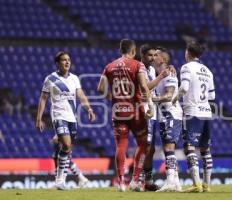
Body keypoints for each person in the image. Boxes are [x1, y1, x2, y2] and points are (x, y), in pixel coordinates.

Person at [97, 39, 154, 192]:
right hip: (136, 111)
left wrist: (111, 97)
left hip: (118, 111)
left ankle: (121, 181)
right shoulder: (137, 65)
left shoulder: (109, 66)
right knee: (143, 144)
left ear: (120, 50)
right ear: (133, 51)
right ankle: (135, 179)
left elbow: (100, 88)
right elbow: (143, 86)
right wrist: (151, 105)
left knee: (121, 145)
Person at [36, 51, 96, 190]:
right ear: (57, 63)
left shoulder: (74, 78)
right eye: (64, 60)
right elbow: (43, 99)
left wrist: (89, 109)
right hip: (58, 116)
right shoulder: (50, 79)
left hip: (72, 118)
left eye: (68, 59)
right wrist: (39, 118)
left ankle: (69, 179)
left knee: (66, 149)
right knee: (67, 145)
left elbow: (80, 95)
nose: (67, 62)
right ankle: (61, 180)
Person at [172, 42, 215, 192]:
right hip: (207, 112)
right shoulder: (208, 71)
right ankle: (206, 185)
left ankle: (196, 184)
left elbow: (184, 88)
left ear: (188, 52)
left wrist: (174, 99)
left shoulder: (186, 67)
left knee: (189, 146)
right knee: (205, 149)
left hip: (192, 111)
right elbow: (212, 96)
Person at [139, 44, 170, 191]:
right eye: (150, 55)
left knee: (150, 149)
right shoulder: (139, 68)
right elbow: (145, 87)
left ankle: (148, 180)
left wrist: (170, 69)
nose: (152, 58)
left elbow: (163, 66)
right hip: (144, 111)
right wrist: (160, 77)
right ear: (142, 55)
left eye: (154, 55)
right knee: (145, 147)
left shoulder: (151, 69)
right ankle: (138, 179)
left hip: (153, 111)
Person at [152, 50, 182, 192]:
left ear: (163, 59)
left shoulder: (169, 74)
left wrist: (153, 99)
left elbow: (169, 95)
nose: (153, 56)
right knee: (167, 148)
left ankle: (170, 180)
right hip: (165, 115)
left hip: (171, 113)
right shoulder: (160, 75)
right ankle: (176, 182)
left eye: (156, 54)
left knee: (169, 148)